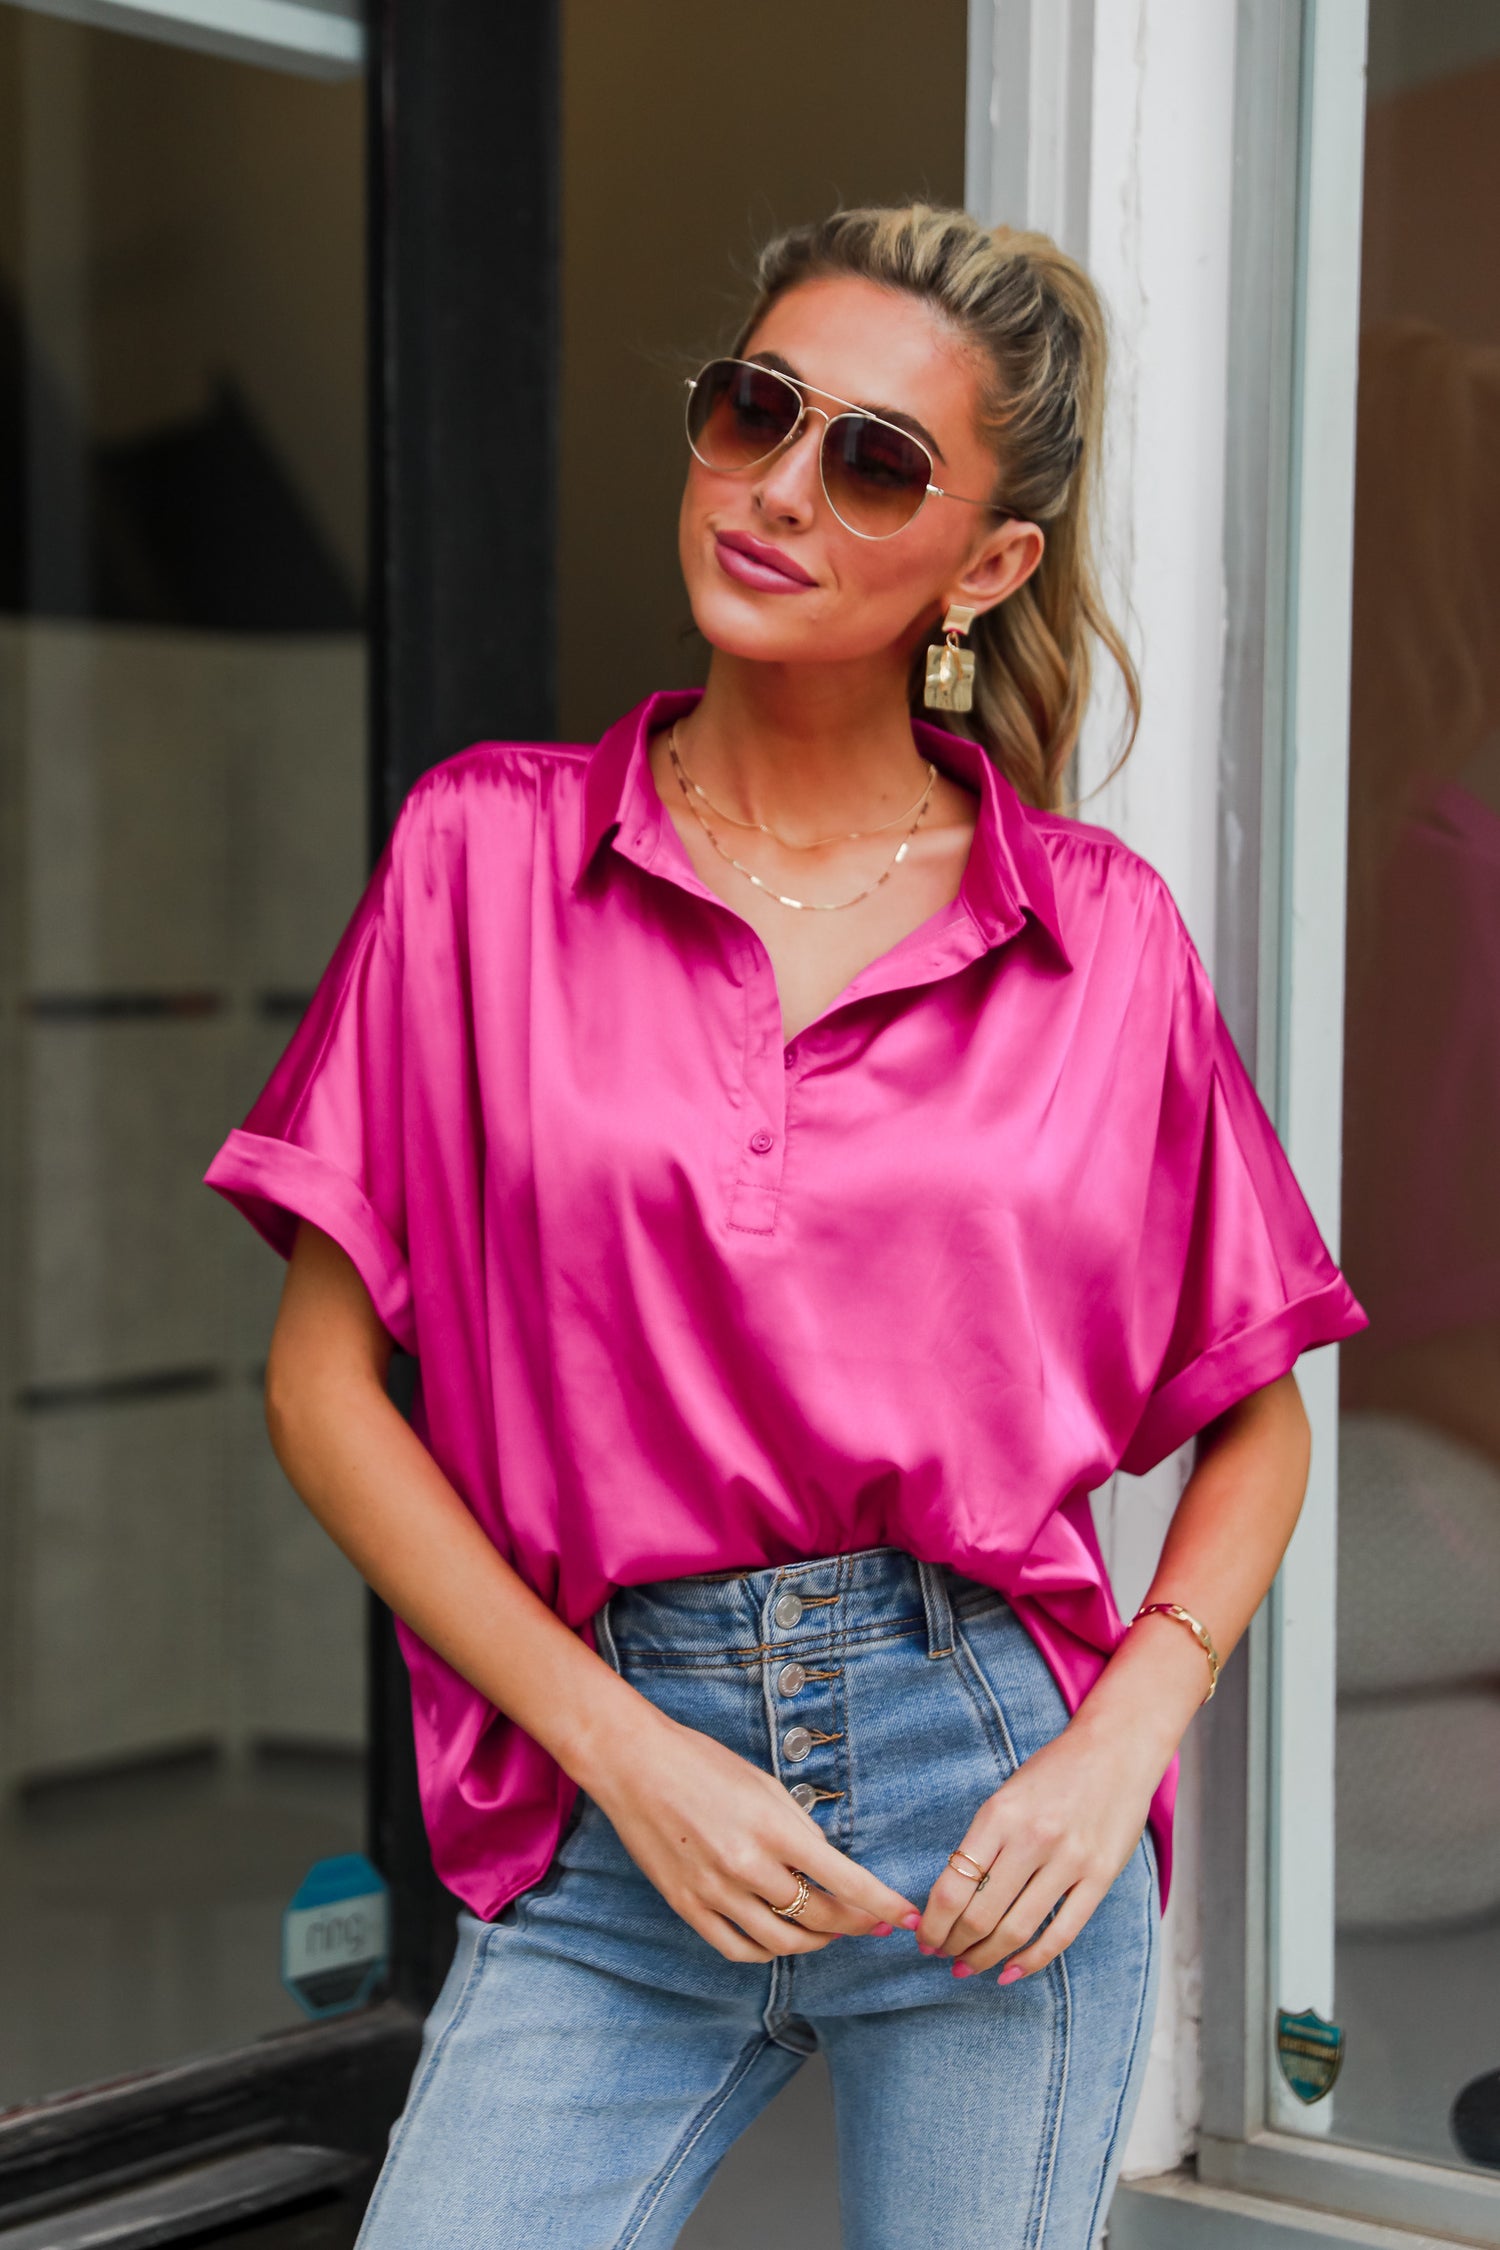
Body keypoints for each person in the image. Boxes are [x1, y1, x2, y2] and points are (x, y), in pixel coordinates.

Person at [203, 205, 1366, 2248]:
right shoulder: (485, 858)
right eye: (755, 410)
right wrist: (623, 1753)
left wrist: (1124, 1748)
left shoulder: (1093, 935)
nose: (774, 490)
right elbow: (324, 1386)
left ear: (989, 564)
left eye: (875, 463)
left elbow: (1258, 1409)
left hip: (993, 1809)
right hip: (610, 1802)